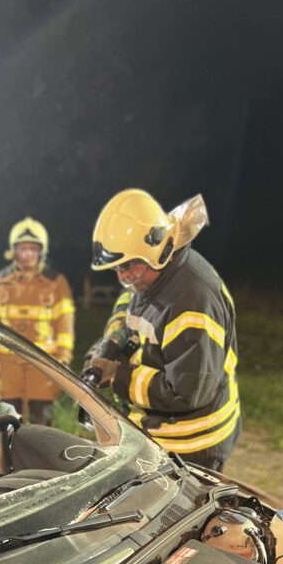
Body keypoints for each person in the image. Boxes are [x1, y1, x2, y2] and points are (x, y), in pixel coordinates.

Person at [86, 189, 239, 471]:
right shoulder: (154, 273)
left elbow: (186, 392)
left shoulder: (192, 303)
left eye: (129, 266)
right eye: (117, 268)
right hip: (156, 431)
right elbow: (130, 303)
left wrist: (118, 375)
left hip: (190, 445)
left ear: (156, 250)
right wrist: (111, 340)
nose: (124, 277)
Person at [0, 217, 74, 425]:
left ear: (41, 251)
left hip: (42, 366)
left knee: (42, 427)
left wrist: (64, 358)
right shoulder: (0, 281)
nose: (28, 255)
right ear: (14, 251)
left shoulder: (56, 282)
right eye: (23, 249)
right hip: (7, 367)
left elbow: (64, 324)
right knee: (8, 425)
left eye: (33, 249)